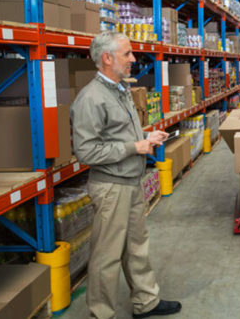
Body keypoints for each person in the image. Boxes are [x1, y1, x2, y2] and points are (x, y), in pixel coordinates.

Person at [71, 32, 182, 319]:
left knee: (136, 247)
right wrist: (135, 146)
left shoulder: (119, 90)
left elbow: (116, 133)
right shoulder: (91, 99)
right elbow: (86, 151)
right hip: (111, 187)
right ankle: (101, 313)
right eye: (127, 54)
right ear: (107, 58)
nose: (133, 59)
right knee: (106, 257)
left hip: (130, 181)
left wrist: (146, 135)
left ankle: (146, 301)